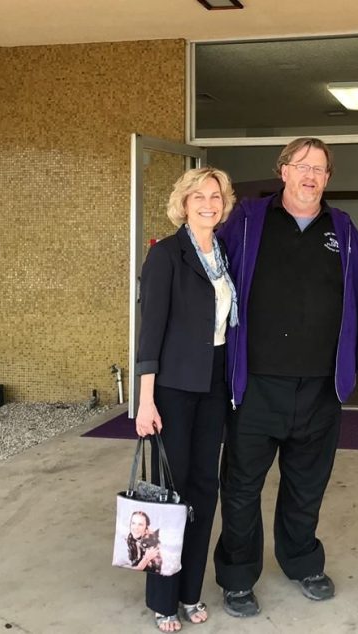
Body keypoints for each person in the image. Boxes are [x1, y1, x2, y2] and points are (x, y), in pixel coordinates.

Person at [213, 138, 358, 618]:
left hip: (320, 387)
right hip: (256, 384)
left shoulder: (341, 227)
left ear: (328, 178)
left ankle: (301, 561)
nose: (311, 176)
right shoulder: (249, 219)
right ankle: (238, 575)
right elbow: (211, 269)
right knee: (241, 487)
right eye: (302, 166)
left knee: (307, 484)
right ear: (283, 171)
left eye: (320, 169)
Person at [135, 166, 237, 632]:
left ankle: (191, 589)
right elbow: (150, 331)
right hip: (173, 389)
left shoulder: (222, 252)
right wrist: (145, 400)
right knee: (170, 496)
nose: (207, 203)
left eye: (215, 196)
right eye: (198, 196)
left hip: (213, 384)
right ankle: (162, 597)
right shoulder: (166, 254)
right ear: (183, 202)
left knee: (204, 490)